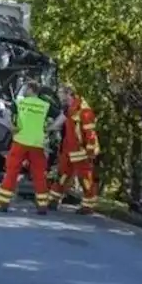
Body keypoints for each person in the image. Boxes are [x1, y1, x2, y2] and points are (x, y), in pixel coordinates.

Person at [0, 81, 61, 215]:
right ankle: (42, 206)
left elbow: (7, 114)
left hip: (20, 141)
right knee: (39, 174)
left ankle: (2, 204)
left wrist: (11, 127)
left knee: (12, 172)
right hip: (37, 143)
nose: (24, 90)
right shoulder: (45, 105)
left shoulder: (20, 103)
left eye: (25, 88)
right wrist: (50, 128)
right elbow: (61, 116)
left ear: (30, 89)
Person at [49, 85, 101, 214]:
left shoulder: (84, 110)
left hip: (81, 151)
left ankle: (88, 206)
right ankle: (53, 200)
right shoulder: (69, 108)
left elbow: (90, 132)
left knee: (85, 179)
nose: (59, 96)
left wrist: (89, 151)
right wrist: (48, 129)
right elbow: (60, 122)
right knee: (62, 175)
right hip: (68, 149)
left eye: (60, 93)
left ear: (68, 93)